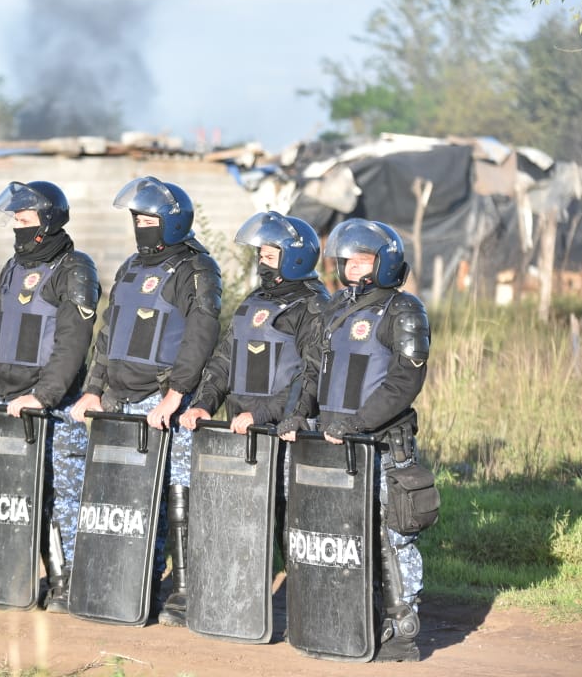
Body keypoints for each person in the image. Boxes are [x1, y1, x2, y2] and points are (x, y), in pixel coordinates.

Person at [70, 175, 222, 627]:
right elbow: (108, 333)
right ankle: (137, 582)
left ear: (172, 222)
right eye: (137, 218)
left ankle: (184, 589)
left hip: (163, 399)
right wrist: (93, 389)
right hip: (120, 399)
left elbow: (201, 334)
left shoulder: (197, 269)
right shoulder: (132, 266)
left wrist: (176, 394)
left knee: (176, 492)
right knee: (129, 500)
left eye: (149, 218)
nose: (141, 225)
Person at [278, 218, 431, 662]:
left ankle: (403, 630)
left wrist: (359, 423)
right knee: (341, 536)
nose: (352, 270)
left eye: (362, 262)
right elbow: (312, 372)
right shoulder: (336, 306)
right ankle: (352, 619)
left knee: (391, 536)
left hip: (382, 445)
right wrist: (296, 415)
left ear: (385, 265)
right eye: (347, 262)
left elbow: (405, 380)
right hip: (333, 443)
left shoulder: (404, 311)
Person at [0, 181, 101, 613]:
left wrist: (44, 396)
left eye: (24, 221)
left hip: (54, 408)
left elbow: (72, 344)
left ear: (47, 222)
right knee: (19, 498)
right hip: (8, 403)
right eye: (16, 222)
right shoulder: (11, 268)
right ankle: (22, 577)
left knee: (62, 494)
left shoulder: (76, 269)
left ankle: (69, 582)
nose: (18, 230)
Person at [179, 211, 329, 555]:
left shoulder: (313, 306)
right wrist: (203, 403)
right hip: (241, 435)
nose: (262, 262)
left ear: (295, 257)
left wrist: (261, 414)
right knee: (243, 526)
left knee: (293, 525)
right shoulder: (253, 302)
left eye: (270, 255)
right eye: (260, 254)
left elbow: (311, 375)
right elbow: (224, 360)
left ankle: (303, 600)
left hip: (285, 433)